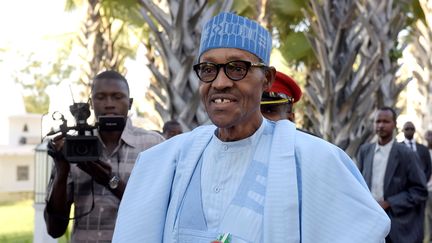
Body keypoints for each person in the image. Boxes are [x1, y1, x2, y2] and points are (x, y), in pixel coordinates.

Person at [113, 12, 390, 243]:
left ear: (267, 79)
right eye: (208, 69)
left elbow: (364, 230)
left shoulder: (314, 160)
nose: (220, 83)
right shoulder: (165, 162)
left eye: (237, 68)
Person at [44, 70, 164, 242]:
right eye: (100, 97)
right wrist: (61, 171)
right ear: (91, 104)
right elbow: (55, 229)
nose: (109, 104)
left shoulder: (154, 145)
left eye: (117, 97)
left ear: (129, 103)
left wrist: (110, 181)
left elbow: (159, 211)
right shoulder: (72, 146)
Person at [357, 107, 427, 243]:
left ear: (394, 124)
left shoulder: (407, 154)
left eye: (386, 121)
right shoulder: (365, 151)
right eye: (377, 121)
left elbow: (419, 190)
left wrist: (389, 203)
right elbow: (359, 183)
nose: (381, 125)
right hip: (370, 222)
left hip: (398, 224)